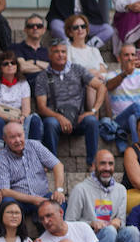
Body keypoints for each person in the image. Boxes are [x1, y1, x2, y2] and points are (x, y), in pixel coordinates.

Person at [66, 149, 138, 242]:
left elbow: (121, 220)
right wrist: (90, 224)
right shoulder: (80, 189)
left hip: (112, 238)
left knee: (132, 231)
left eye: (110, 164)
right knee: (110, 231)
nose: (107, 168)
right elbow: (70, 223)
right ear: (94, 166)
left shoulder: (121, 189)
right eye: (103, 164)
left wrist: (118, 222)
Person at [35, 38, 101, 166]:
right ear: (50, 55)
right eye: (56, 52)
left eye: (63, 52)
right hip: (56, 119)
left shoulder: (78, 70)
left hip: (78, 118)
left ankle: (92, 164)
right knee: (49, 123)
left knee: (92, 121)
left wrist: (93, 110)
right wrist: (59, 117)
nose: (61, 55)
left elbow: (101, 87)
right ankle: (52, 164)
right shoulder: (42, 77)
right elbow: (41, 107)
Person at [0, 120, 66, 220]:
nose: (18, 140)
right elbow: (4, 191)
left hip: (43, 196)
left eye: (20, 135)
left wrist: (59, 190)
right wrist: (33, 199)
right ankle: (13, 235)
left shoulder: (35, 145)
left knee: (59, 201)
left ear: (24, 134)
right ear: (4, 139)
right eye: (12, 137)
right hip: (19, 201)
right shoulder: (2, 158)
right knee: (7, 202)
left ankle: (55, 234)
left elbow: (57, 165)